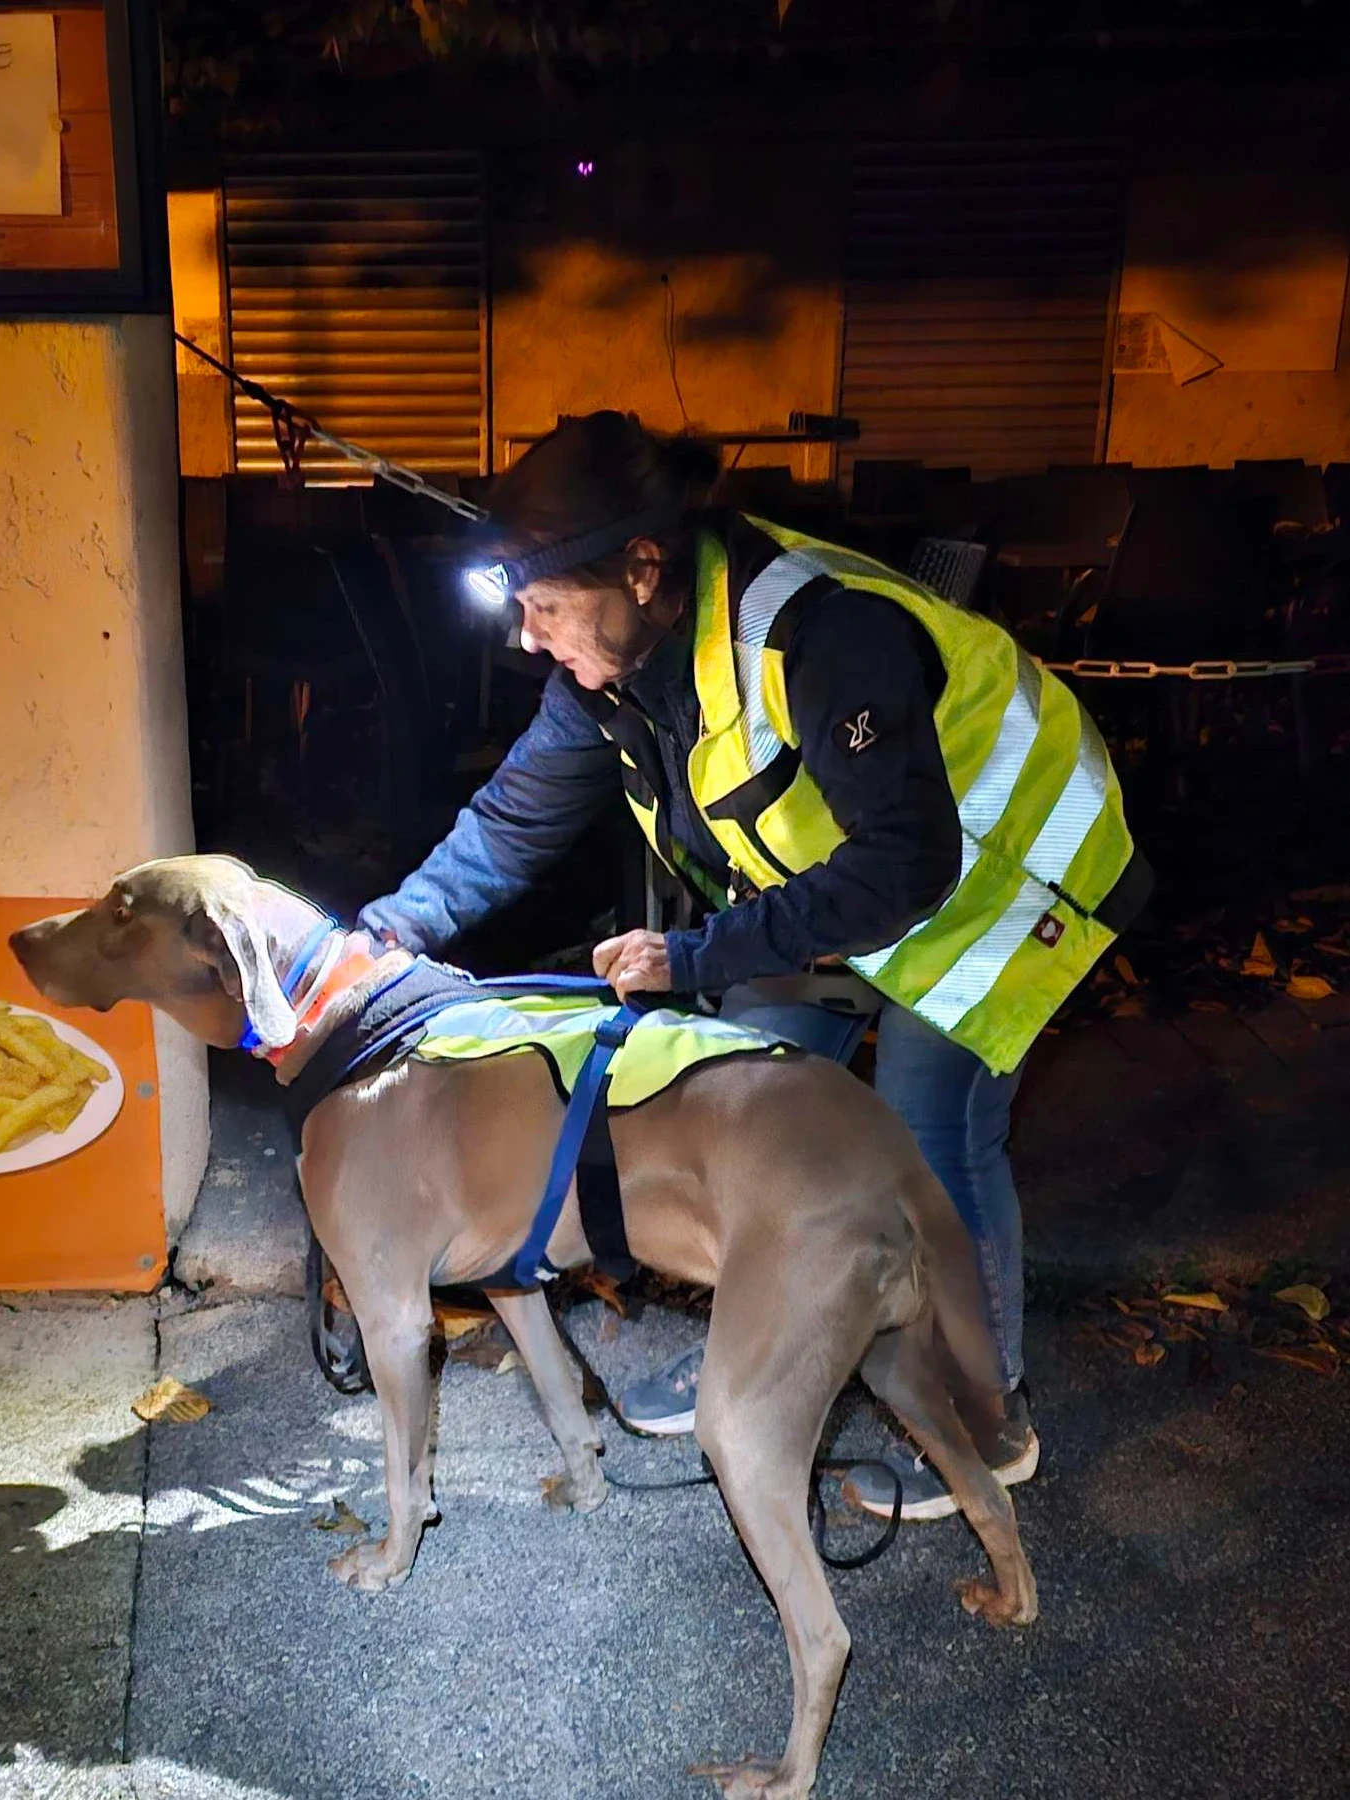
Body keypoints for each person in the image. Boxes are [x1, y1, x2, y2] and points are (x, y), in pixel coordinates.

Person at [359, 412, 1149, 1521]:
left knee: (932, 1127)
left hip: (1000, 873)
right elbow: (513, 820)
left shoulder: (815, 634)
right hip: (853, 879)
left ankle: (986, 1417)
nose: (528, 640)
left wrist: (696, 954)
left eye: (543, 609)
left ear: (641, 568)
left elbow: (910, 862)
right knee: (740, 1087)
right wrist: (391, 928)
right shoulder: (611, 671)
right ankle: (759, 1343)